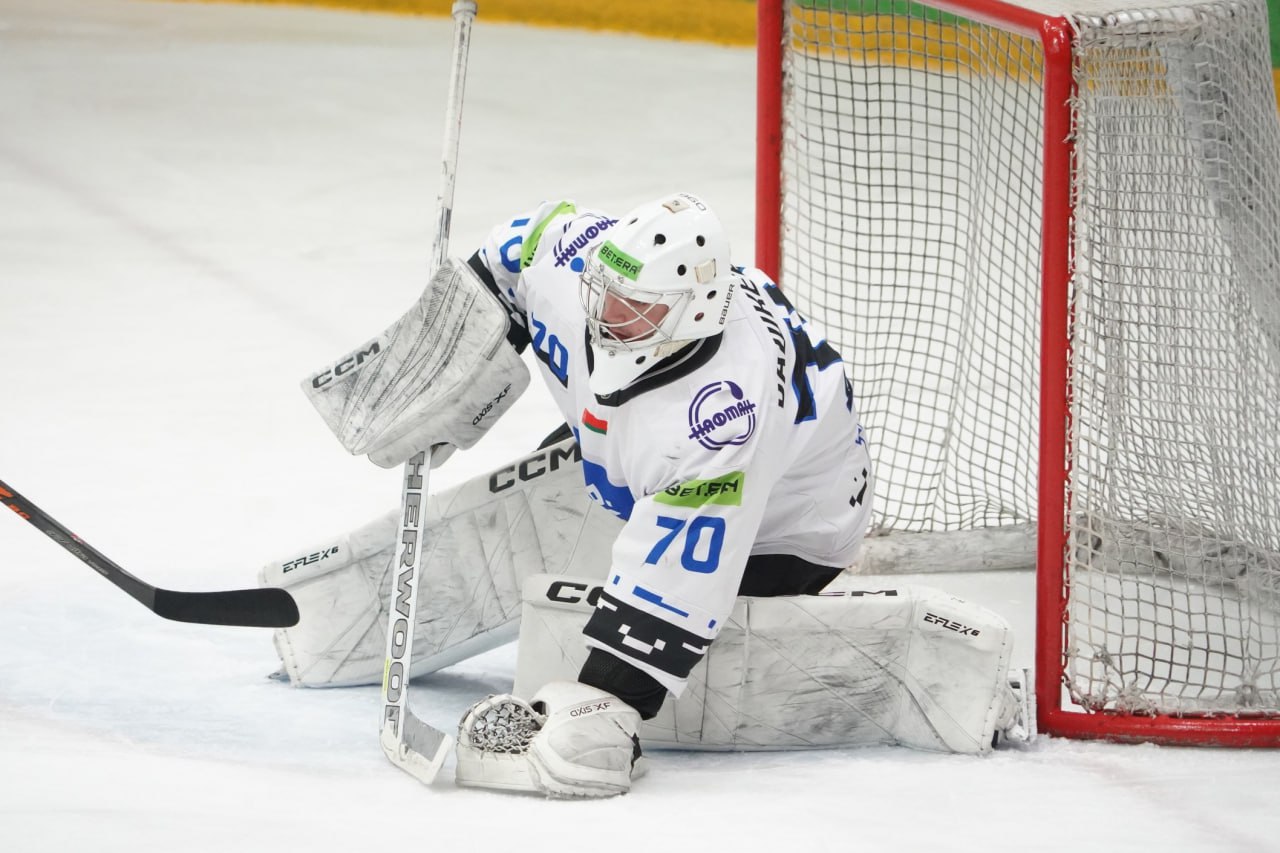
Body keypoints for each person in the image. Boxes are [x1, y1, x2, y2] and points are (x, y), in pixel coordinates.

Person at [270, 191, 1024, 800]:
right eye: (605, 294)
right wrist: (445, 365)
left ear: (695, 311)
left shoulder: (721, 416)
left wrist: (606, 702)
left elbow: (677, 586)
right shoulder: (576, 257)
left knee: (657, 638)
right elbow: (506, 259)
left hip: (789, 526)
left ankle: (884, 658)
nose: (606, 317)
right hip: (642, 460)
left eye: (634, 311)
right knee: (584, 490)